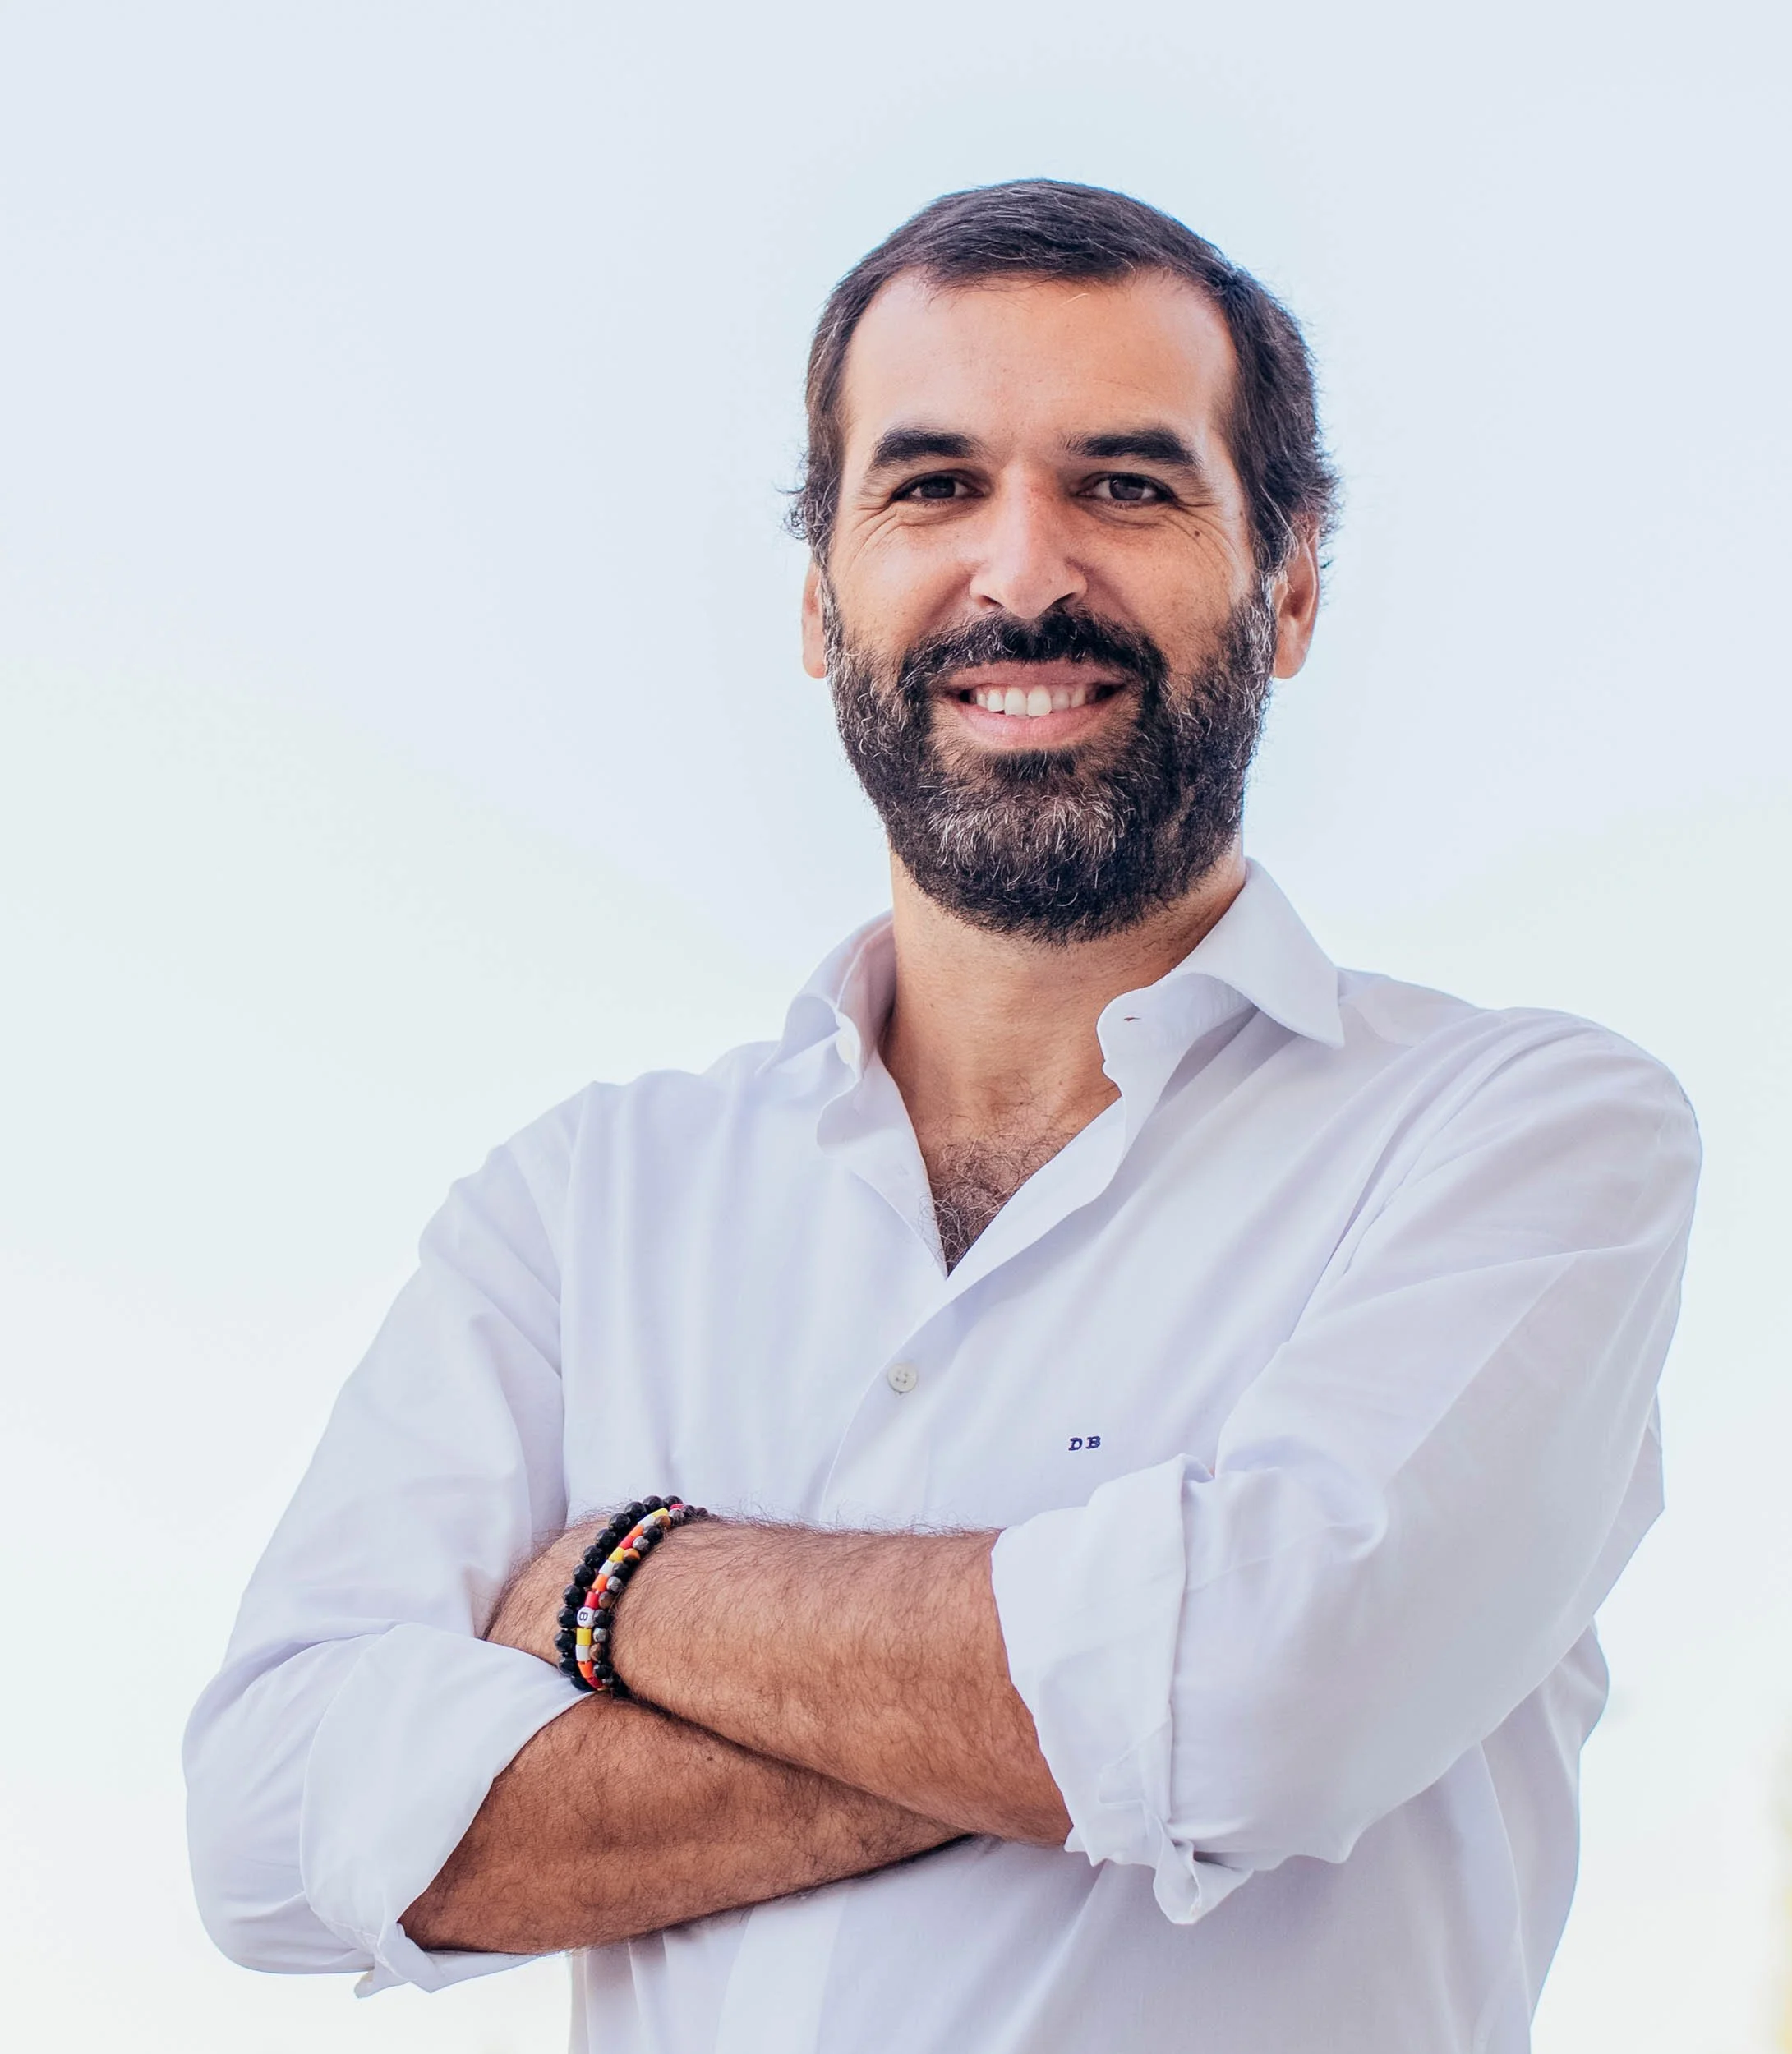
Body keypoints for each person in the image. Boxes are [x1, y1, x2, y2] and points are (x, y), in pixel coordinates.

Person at [185, 178, 1699, 2054]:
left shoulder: (1519, 1137)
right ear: (819, 600)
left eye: (1127, 486)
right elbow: (266, 1821)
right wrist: (1102, 1693)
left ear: (1288, 582)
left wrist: (620, 1588)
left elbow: (1264, 1695)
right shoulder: (579, 1209)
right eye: (929, 487)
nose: (1023, 573)